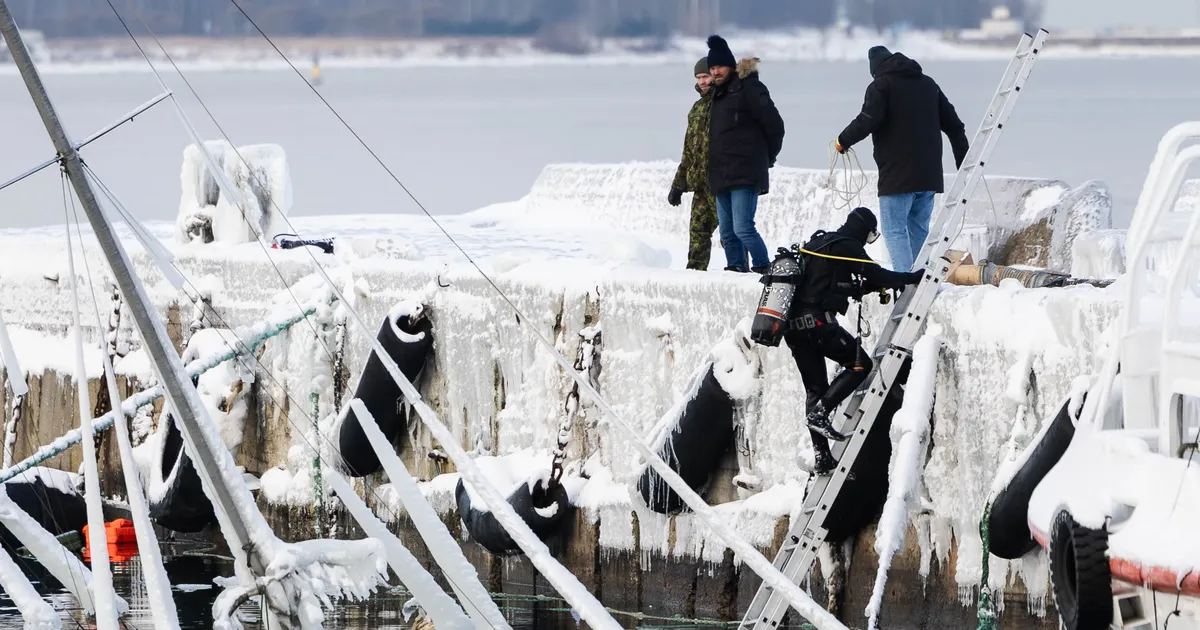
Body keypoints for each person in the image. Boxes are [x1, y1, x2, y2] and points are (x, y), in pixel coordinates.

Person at [784, 207, 923, 475]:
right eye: (870, 236)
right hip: (818, 325)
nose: (868, 241)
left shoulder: (820, 243)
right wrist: (911, 278)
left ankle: (823, 457)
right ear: (863, 230)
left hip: (793, 328)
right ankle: (821, 412)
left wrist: (867, 287)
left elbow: (845, 283)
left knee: (815, 389)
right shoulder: (847, 245)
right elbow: (877, 275)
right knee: (861, 365)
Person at [835, 46, 970, 274]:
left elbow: (867, 120)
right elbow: (955, 126)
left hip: (897, 176)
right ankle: (922, 280)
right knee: (919, 231)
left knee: (895, 231)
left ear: (875, 68)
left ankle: (906, 284)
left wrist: (843, 140)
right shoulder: (928, 84)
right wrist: (964, 164)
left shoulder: (881, 85)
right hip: (928, 176)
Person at [706, 35, 786, 274]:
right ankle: (736, 270)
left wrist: (768, 157)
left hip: (745, 172)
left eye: (720, 66)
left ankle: (764, 269)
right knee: (727, 232)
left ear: (731, 66)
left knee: (743, 228)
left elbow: (775, 126)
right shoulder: (717, 95)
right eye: (712, 68)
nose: (715, 72)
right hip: (721, 174)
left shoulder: (749, 87)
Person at [668, 58, 718, 271]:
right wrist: (678, 185)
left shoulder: (725, 104)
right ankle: (694, 275)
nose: (702, 82)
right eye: (698, 78)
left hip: (722, 183)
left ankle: (739, 273)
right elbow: (689, 151)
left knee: (732, 234)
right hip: (700, 185)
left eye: (705, 76)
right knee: (698, 234)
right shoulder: (696, 109)